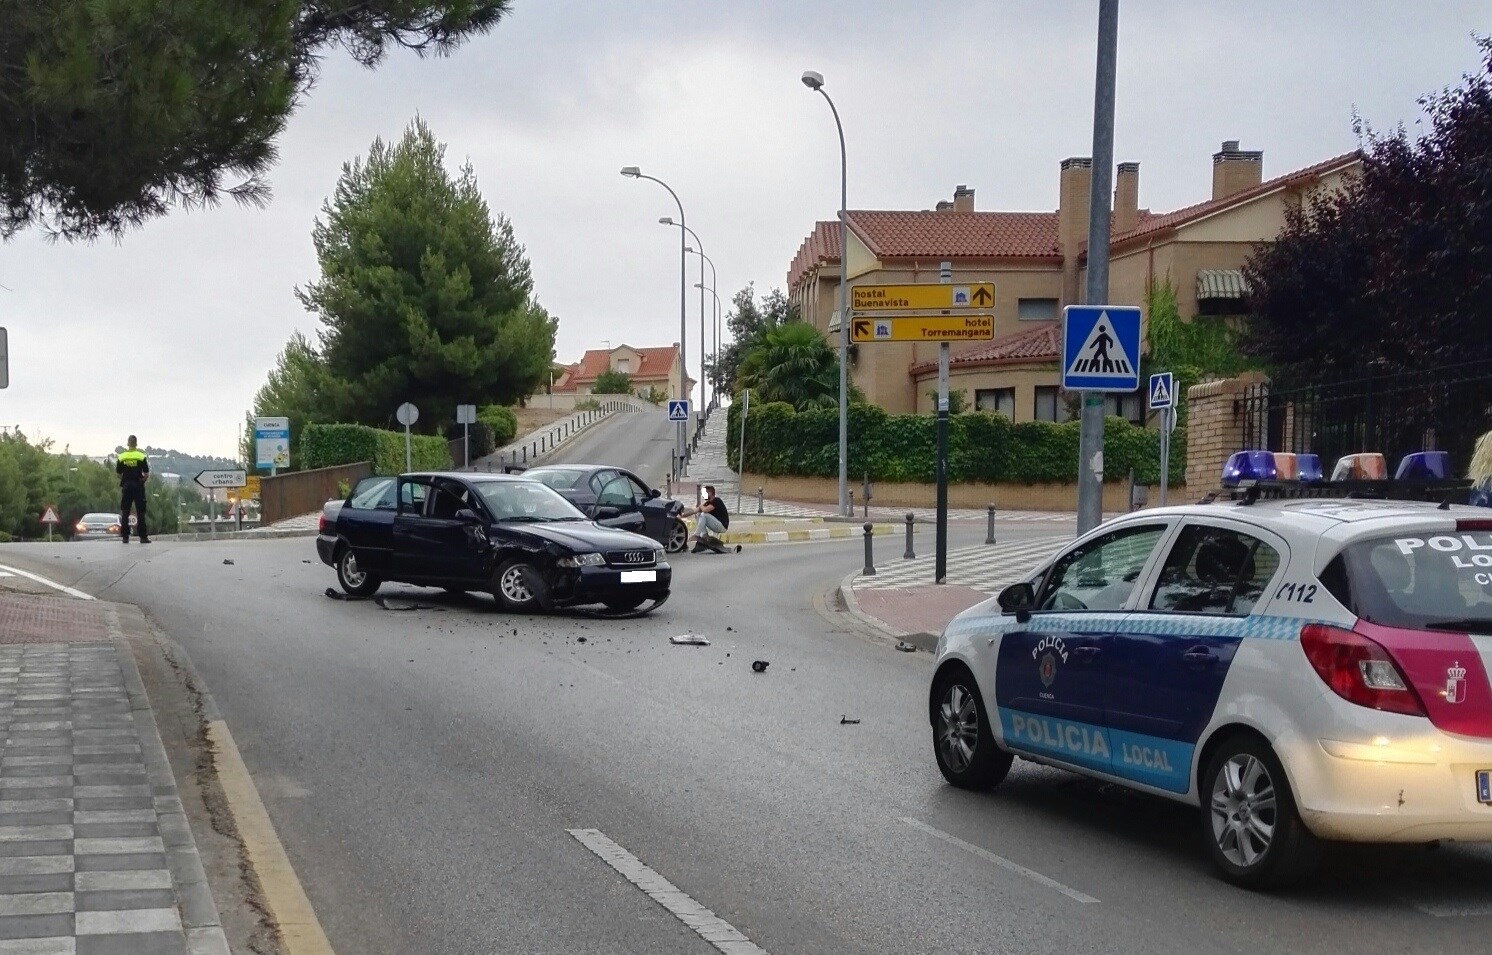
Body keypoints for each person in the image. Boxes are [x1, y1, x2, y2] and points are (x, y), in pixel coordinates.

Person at [116, 436, 150, 544]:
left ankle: (125, 537)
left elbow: (118, 472)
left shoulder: (122, 457)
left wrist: (125, 479)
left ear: (127, 443)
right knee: (140, 511)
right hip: (138, 486)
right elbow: (146, 473)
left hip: (126, 485)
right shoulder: (141, 456)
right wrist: (141, 481)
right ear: (136, 444)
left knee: (125, 511)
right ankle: (143, 537)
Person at [681, 484, 732, 553]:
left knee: (703, 515)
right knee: (698, 514)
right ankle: (704, 534)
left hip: (722, 526)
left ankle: (697, 535)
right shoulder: (707, 503)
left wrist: (701, 506)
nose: (703, 495)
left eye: (705, 493)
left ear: (710, 493)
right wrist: (682, 515)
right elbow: (694, 511)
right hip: (715, 524)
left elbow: (705, 510)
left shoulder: (717, 500)